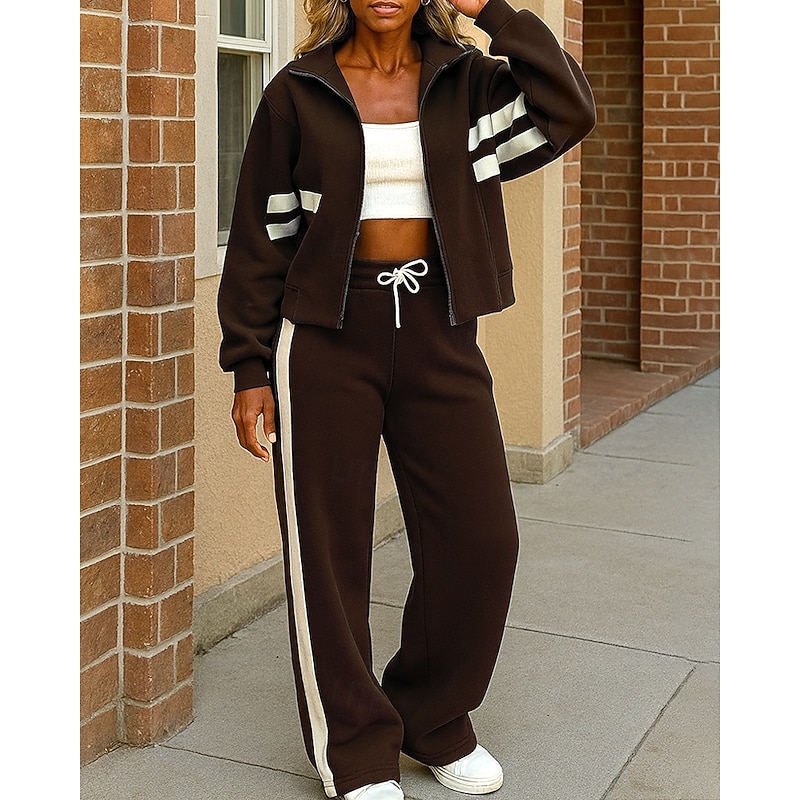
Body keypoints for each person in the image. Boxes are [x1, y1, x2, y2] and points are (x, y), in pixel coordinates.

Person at [217, 0, 594, 797]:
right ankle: (354, 750)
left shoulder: (470, 85)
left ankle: (433, 715)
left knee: (481, 540)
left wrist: (491, 11)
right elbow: (261, 234)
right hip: (327, 336)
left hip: (439, 329)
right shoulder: (298, 91)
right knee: (329, 553)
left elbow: (568, 109)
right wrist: (250, 366)